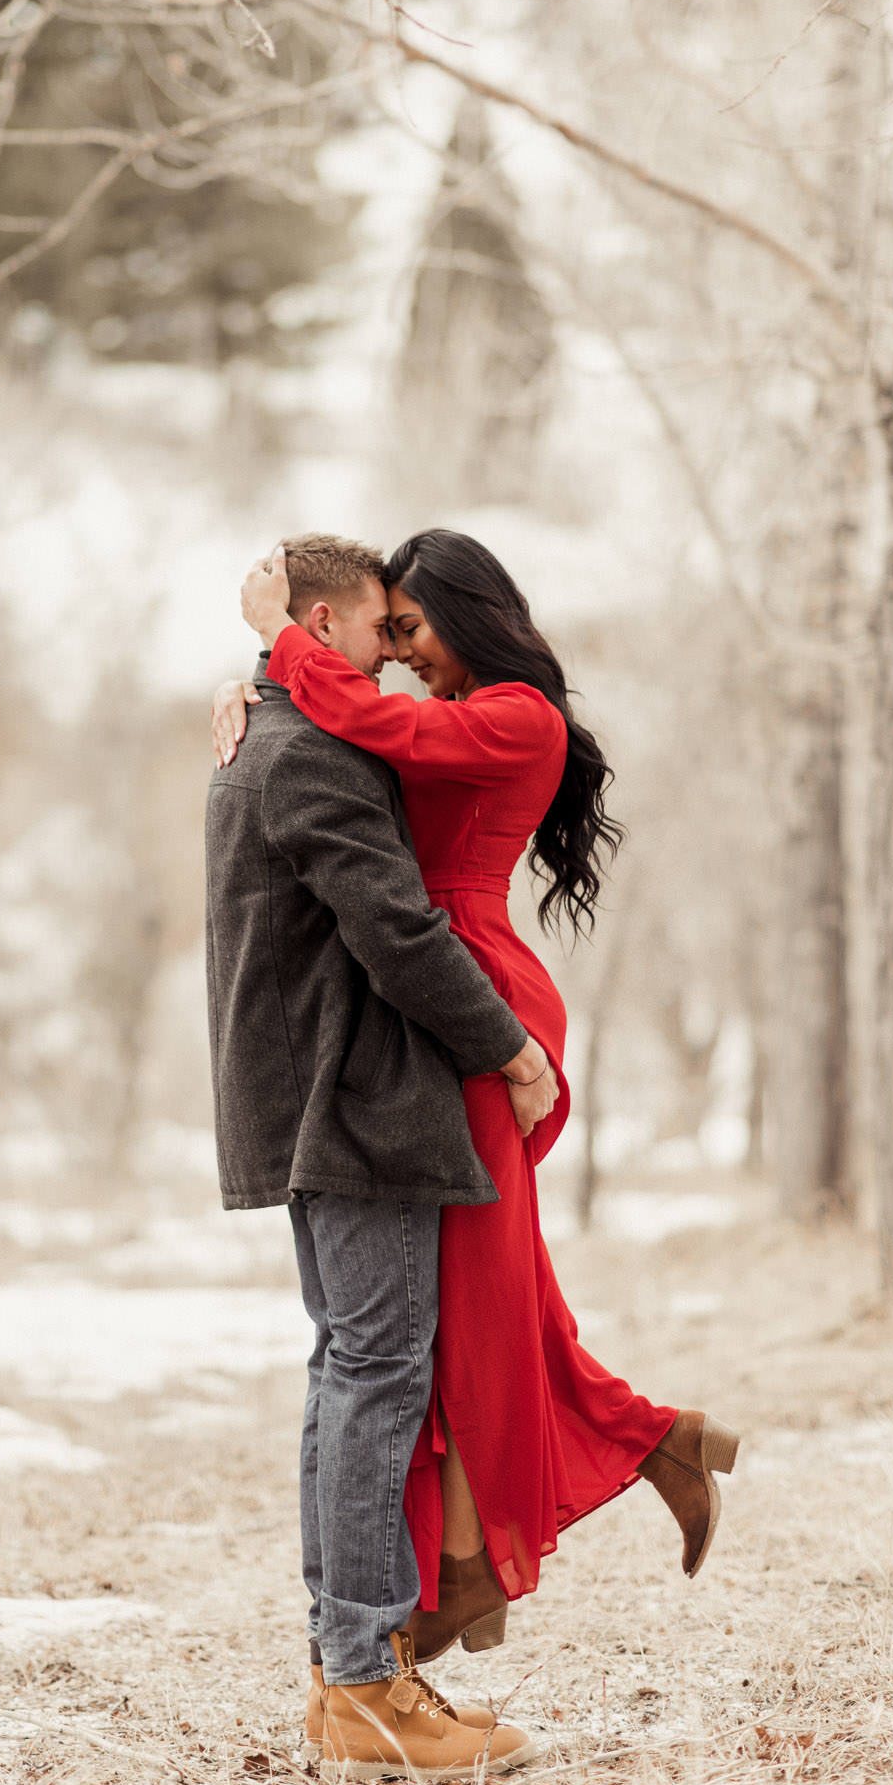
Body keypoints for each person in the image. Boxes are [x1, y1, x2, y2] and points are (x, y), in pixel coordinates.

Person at [217, 526, 740, 1673]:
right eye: (386, 632)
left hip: (468, 997)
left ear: (468, 609)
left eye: (409, 629)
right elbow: (358, 741)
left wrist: (277, 648)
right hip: (427, 1007)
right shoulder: (448, 709)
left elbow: (386, 729)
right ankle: (625, 1457)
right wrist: (255, 685)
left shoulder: (517, 713)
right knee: (475, 1296)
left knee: (474, 1303)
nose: (400, 655)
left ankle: (464, 1568)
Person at [204, 532, 555, 1782]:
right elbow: (398, 932)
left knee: (351, 1366)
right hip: (353, 1103)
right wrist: (509, 1048)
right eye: (371, 632)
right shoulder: (310, 755)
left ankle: (342, 1673)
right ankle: (361, 1681)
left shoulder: (273, 737)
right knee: (374, 1372)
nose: (389, 661)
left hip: (324, 1102)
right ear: (317, 622)